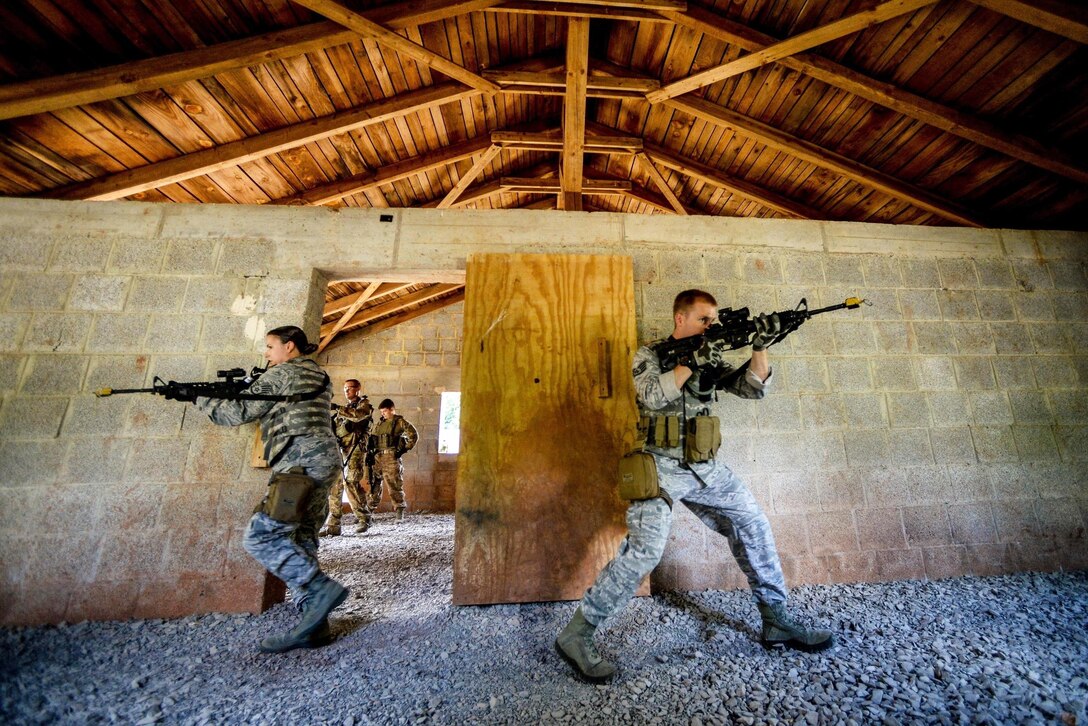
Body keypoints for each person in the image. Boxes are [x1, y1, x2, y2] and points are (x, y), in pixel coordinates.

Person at [555, 289, 833, 683]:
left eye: (715, 320)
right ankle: (576, 634)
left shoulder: (712, 355)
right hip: (659, 466)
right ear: (680, 319)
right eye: (705, 320)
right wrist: (693, 361)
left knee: (753, 524)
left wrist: (759, 347)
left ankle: (777, 620)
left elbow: (754, 388)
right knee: (645, 551)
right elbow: (651, 395)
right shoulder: (649, 354)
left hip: (705, 467)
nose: (712, 326)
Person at [192, 325, 349, 653]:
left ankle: (320, 590)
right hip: (324, 460)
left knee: (261, 536)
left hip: (299, 465)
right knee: (302, 537)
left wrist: (200, 397)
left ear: (289, 346)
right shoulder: (317, 374)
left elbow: (238, 411)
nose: (266, 353)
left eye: (269, 346)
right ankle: (314, 626)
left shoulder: (283, 374)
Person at [321, 379, 375, 536]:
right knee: (335, 484)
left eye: (350, 388)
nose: (346, 391)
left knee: (351, 482)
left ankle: (364, 518)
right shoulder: (345, 409)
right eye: (344, 388)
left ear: (358, 389)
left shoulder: (364, 405)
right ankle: (333, 525)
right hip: (341, 449)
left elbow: (359, 417)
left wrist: (337, 408)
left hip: (355, 449)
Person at [370, 399, 418, 521]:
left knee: (394, 484)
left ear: (392, 410)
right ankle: (368, 511)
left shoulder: (399, 422)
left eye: (385, 411)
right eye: (381, 412)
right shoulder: (380, 424)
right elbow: (373, 438)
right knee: (374, 484)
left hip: (391, 457)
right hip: (378, 457)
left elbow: (413, 435)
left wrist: (404, 449)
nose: (383, 414)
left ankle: (399, 510)